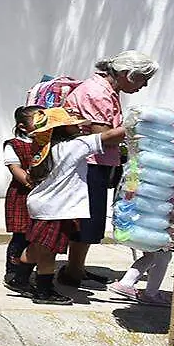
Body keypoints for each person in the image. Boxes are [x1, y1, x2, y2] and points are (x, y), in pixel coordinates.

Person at [61, 50, 159, 286]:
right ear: (126, 74)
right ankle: (72, 271)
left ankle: (76, 268)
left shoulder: (107, 91)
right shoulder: (98, 93)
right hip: (88, 163)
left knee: (90, 218)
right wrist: (140, 126)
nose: (144, 86)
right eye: (142, 79)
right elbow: (101, 137)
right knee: (86, 219)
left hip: (95, 162)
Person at [22, 108, 126, 305]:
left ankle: (19, 279)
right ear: (62, 128)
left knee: (36, 247)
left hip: (43, 205)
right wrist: (136, 123)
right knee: (48, 252)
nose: (79, 125)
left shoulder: (47, 148)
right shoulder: (75, 145)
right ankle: (44, 291)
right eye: (72, 123)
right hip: (55, 209)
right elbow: (110, 135)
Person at [3, 105, 44, 292]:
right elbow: (15, 169)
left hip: (44, 195)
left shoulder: (48, 143)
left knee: (37, 235)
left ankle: (30, 271)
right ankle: (13, 271)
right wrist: (32, 183)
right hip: (22, 196)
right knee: (21, 236)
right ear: (22, 126)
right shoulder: (14, 144)